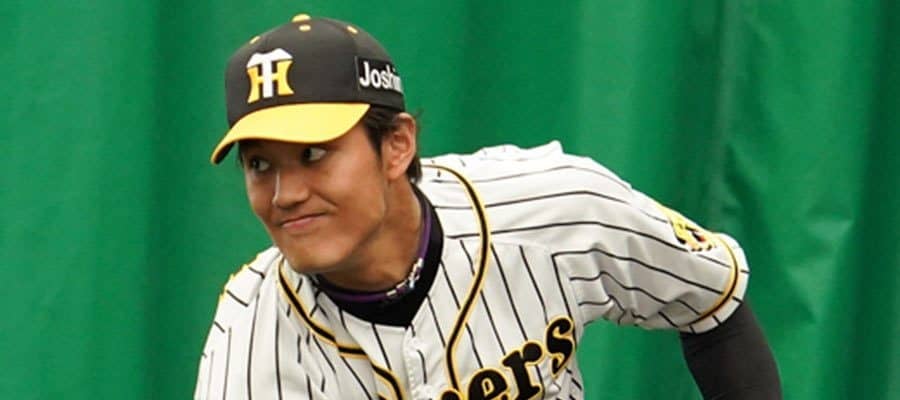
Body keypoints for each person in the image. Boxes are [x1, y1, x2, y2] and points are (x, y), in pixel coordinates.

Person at [195, 14, 781, 400]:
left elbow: (709, 298)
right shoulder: (252, 327)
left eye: (314, 153)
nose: (286, 193)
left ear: (397, 145)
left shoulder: (551, 204)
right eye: (260, 164)